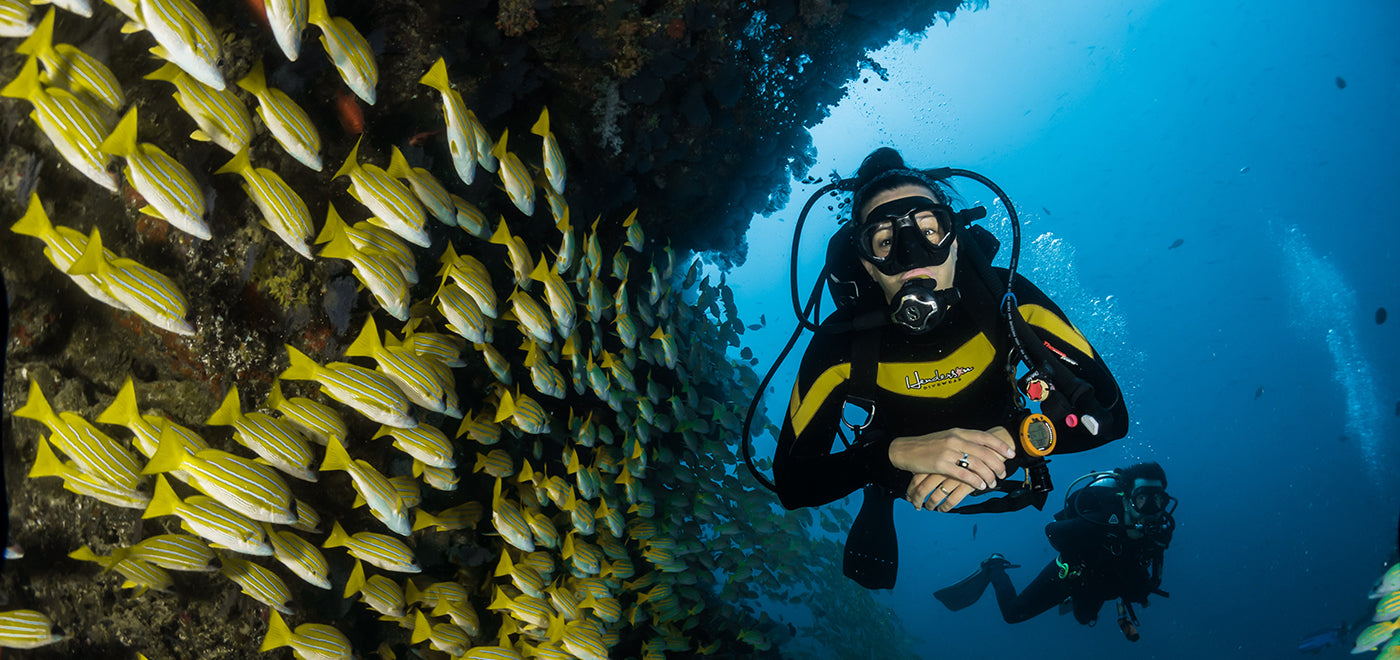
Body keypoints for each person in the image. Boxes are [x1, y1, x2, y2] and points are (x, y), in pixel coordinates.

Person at [770, 147, 1129, 589]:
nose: (910, 255)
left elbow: (1111, 415)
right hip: (896, 471)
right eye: (884, 241)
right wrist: (890, 456)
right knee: (879, 479)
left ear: (955, 239)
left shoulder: (1009, 301)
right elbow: (793, 483)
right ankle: (880, 493)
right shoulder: (840, 343)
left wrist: (1016, 440)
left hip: (1009, 445)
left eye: (929, 230)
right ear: (866, 263)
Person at [934, 463, 1176, 641]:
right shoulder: (1103, 518)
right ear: (1126, 499)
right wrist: (1075, 565)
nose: (1153, 508)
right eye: (1144, 498)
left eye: (1159, 500)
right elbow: (1053, 531)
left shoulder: (1159, 532)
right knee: (1013, 614)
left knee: (1083, 619)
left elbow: (1150, 571)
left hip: (1106, 582)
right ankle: (994, 567)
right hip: (1071, 576)